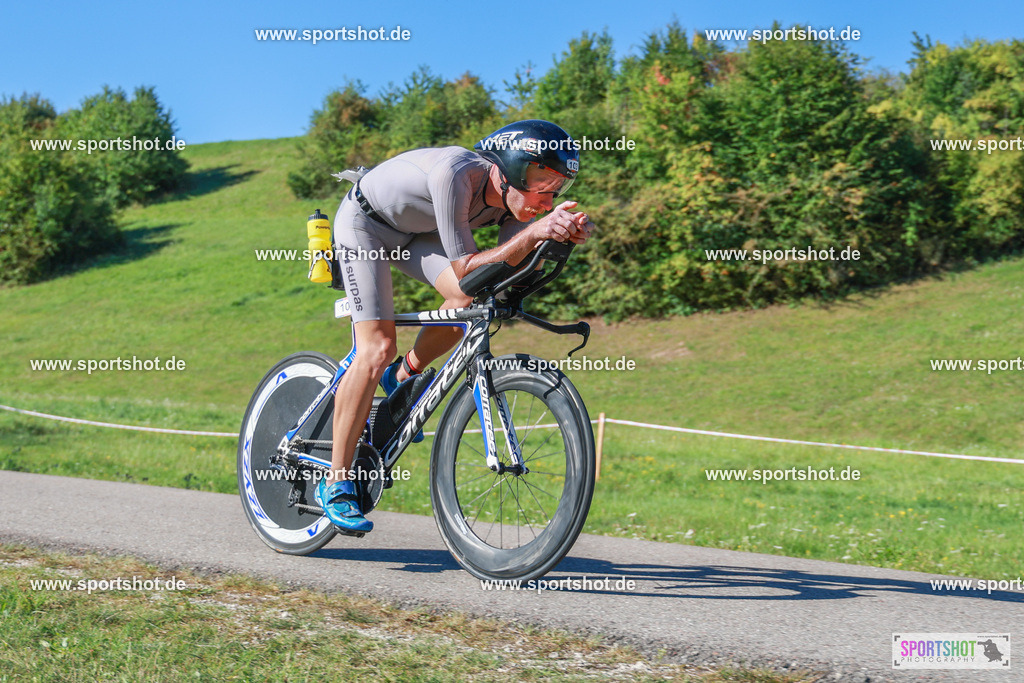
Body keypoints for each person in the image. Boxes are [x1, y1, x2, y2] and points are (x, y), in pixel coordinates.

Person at [316, 119, 595, 532]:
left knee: (471, 302)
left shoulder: (518, 201)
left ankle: (403, 375)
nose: (547, 196)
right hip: (366, 226)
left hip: (416, 234)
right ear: (508, 170)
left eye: (557, 188)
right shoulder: (456, 174)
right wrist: (534, 231)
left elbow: (497, 274)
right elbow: (466, 269)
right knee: (375, 348)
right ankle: (336, 481)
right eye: (541, 180)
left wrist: (552, 238)